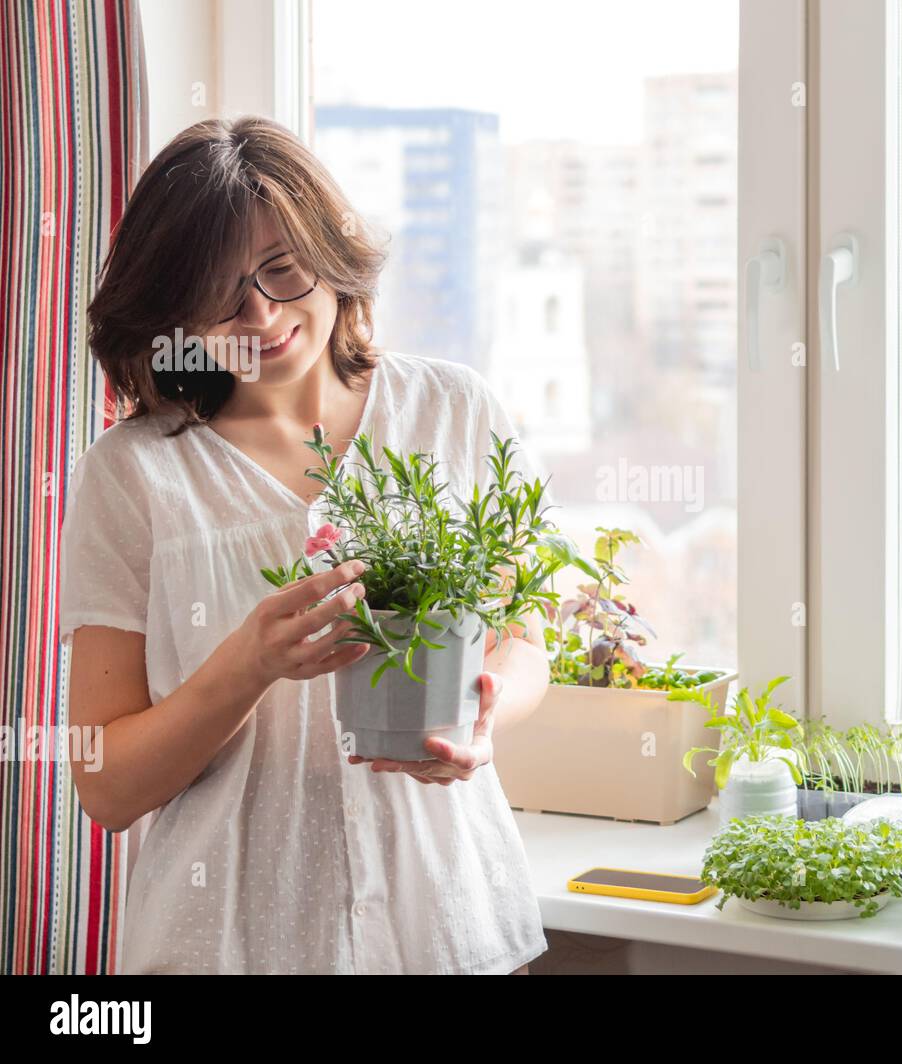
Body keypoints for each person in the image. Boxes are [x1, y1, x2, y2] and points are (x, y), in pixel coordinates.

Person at [61, 115, 550, 975]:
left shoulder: (452, 412)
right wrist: (248, 662)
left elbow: (522, 641)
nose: (261, 313)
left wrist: (482, 714)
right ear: (169, 312)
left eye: (281, 269)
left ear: (330, 248)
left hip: (437, 916)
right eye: (216, 292)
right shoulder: (130, 476)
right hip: (229, 938)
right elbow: (106, 784)